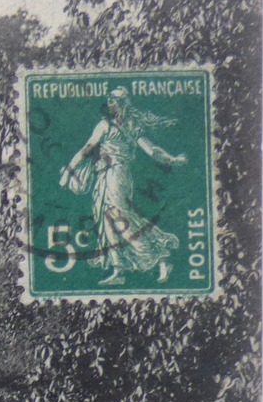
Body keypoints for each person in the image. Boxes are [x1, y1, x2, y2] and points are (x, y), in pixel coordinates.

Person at [60, 87, 188, 287]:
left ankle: (161, 258)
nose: (110, 105)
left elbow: (152, 151)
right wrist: (70, 169)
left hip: (117, 175)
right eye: (109, 101)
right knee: (107, 220)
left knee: (121, 218)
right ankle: (118, 269)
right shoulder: (112, 125)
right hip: (103, 177)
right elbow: (88, 148)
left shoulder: (125, 126)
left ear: (121, 104)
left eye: (113, 102)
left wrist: (172, 160)